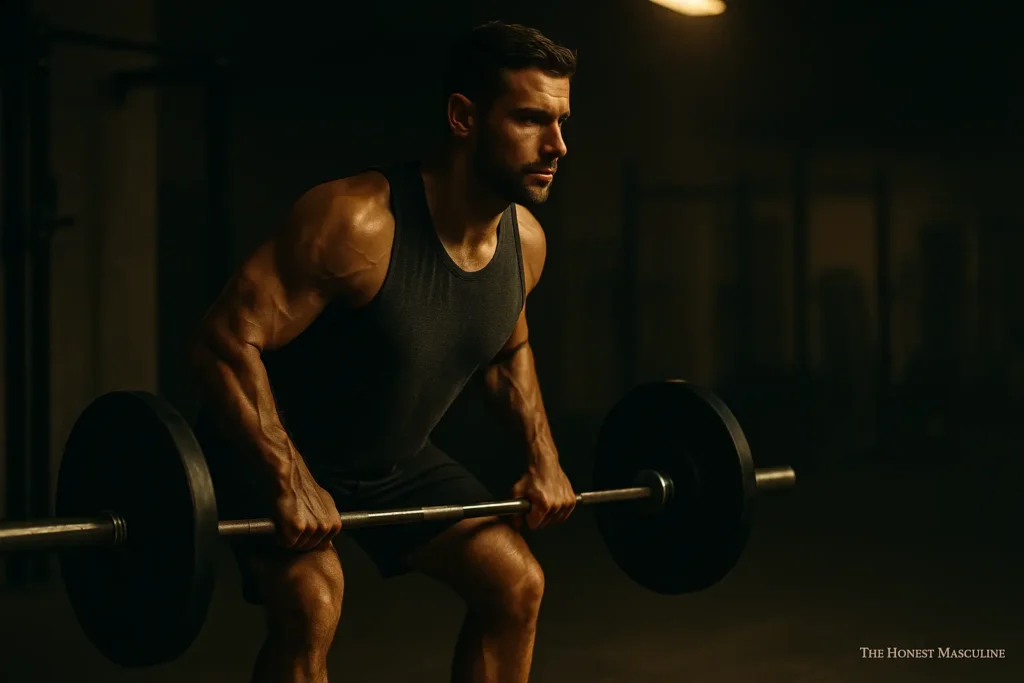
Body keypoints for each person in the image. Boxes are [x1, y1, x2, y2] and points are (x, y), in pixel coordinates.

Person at [189, 20, 578, 683]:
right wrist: (287, 476)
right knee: (313, 601)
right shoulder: (358, 221)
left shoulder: (526, 244)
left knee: (516, 583)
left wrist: (544, 457)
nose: (558, 145)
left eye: (562, 121)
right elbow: (224, 341)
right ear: (464, 116)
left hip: (392, 460)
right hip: (270, 450)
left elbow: (508, 352)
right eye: (530, 119)